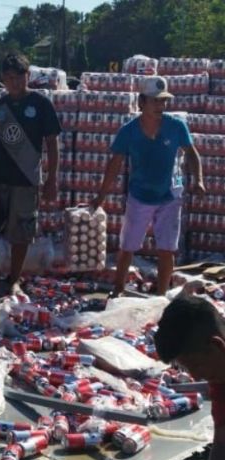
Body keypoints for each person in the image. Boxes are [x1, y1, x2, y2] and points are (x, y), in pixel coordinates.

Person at [93, 75, 204, 297]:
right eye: (155, 101)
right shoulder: (129, 131)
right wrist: (101, 196)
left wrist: (199, 179)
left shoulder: (176, 126)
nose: (160, 106)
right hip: (140, 195)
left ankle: (161, 296)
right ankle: (118, 290)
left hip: (170, 195)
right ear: (141, 102)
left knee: (166, 249)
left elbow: (192, 154)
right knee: (128, 247)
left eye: (163, 101)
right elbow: (114, 165)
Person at [0, 53, 60, 294]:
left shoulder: (41, 104)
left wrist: (52, 178)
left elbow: (52, 143)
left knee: (21, 234)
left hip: (26, 180)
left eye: (19, 76)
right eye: (9, 77)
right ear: (3, 78)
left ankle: (13, 279)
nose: (14, 82)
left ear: (28, 76)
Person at [153, 293, 225, 460]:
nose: (194, 377)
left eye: (194, 365)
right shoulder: (221, 377)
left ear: (216, 347)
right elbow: (222, 447)